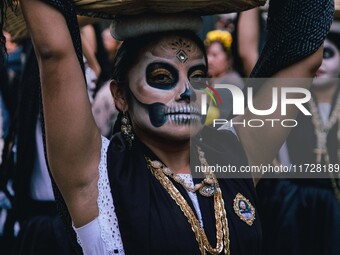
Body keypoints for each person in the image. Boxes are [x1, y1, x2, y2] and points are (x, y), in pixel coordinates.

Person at [16, 0, 333, 254]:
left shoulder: (236, 154)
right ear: (120, 95)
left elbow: (302, 56)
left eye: (197, 77)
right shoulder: (96, 176)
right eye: (162, 77)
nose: (186, 91)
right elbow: (55, 52)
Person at [257, 21, 340, 255]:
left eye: (329, 54)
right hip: (293, 202)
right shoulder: (292, 102)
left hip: (333, 200)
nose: (322, 63)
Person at [204, 29, 244, 122]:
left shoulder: (230, 83)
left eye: (214, 55)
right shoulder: (217, 80)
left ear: (228, 58)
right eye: (208, 54)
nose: (209, 60)